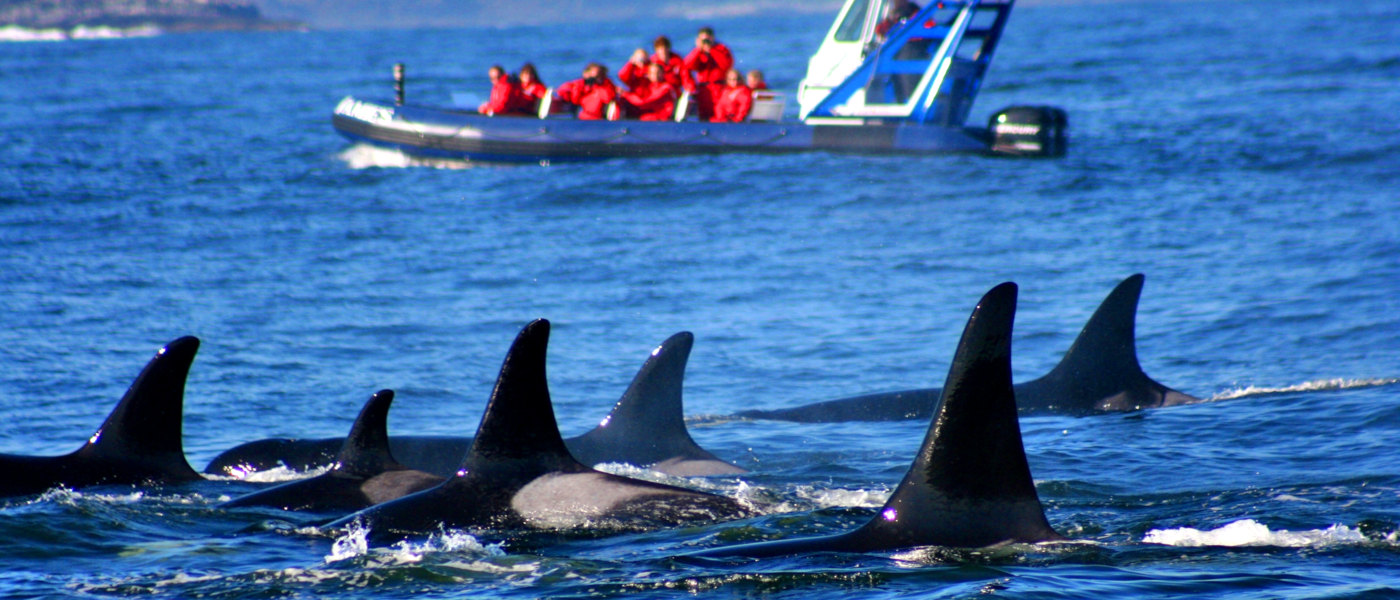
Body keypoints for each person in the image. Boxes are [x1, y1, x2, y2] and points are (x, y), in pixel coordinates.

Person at [684, 26, 733, 121]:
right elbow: (688, 65)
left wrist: (712, 50)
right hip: (703, 89)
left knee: (720, 115)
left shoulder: (721, 49)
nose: (705, 42)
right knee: (703, 116)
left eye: (708, 39)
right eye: (703, 39)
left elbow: (726, 65)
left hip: (719, 87)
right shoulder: (697, 51)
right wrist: (698, 50)